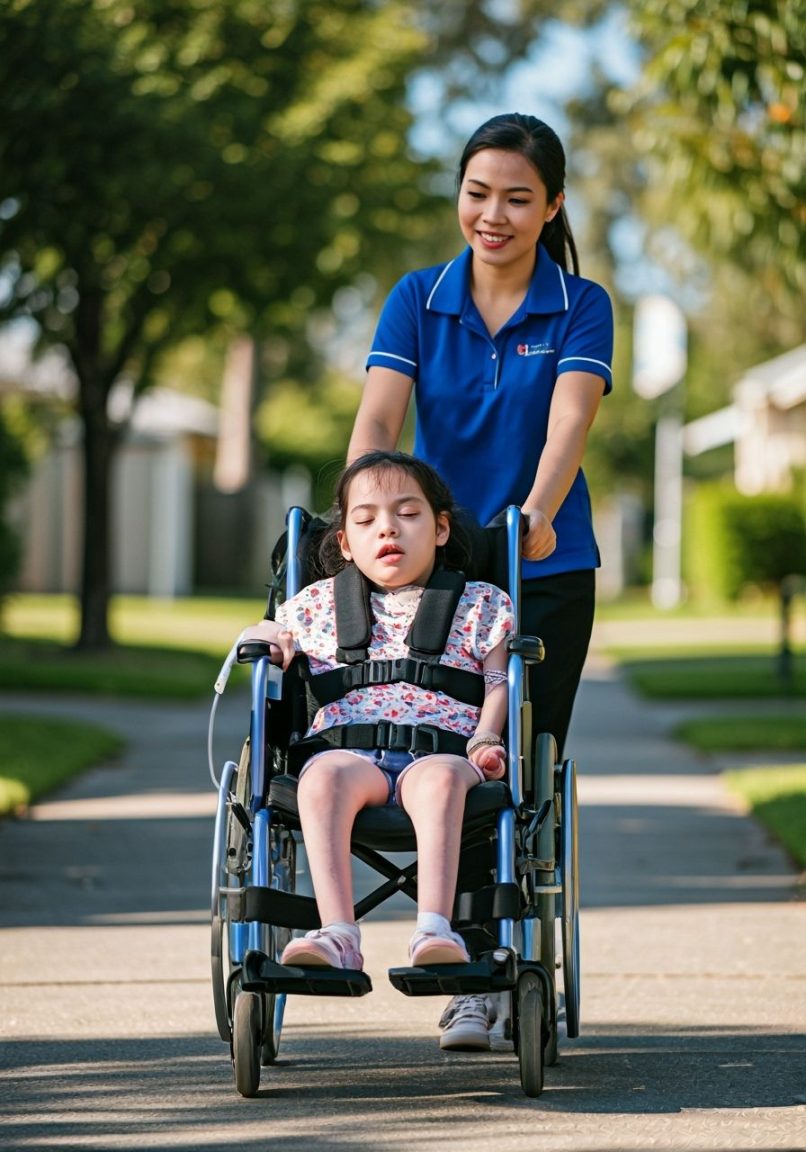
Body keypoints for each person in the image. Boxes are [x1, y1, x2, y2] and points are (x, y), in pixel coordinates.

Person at [347, 112, 614, 1048]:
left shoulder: (581, 305)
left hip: (544, 564)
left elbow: (569, 425)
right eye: (476, 193)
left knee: (512, 764)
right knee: (441, 745)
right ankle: (458, 949)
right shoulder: (417, 299)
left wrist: (538, 510)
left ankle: (490, 971)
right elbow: (380, 420)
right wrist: (366, 513)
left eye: (516, 198)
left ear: (552, 208)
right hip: (439, 571)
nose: (491, 215)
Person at [244, 451, 514, 987]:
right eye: (366, 520)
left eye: (408, 514)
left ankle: (436, 929)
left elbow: (499, 680)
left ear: (441, 529)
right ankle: (338, 933)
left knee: (437, 780)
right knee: (320, 778)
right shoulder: (315, 606)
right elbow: (270, 640)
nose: (387, 528)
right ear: (345, 543)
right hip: (349, 757)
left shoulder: (481, 603)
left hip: (445, 753)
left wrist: (486, 737)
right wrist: (262, 639)